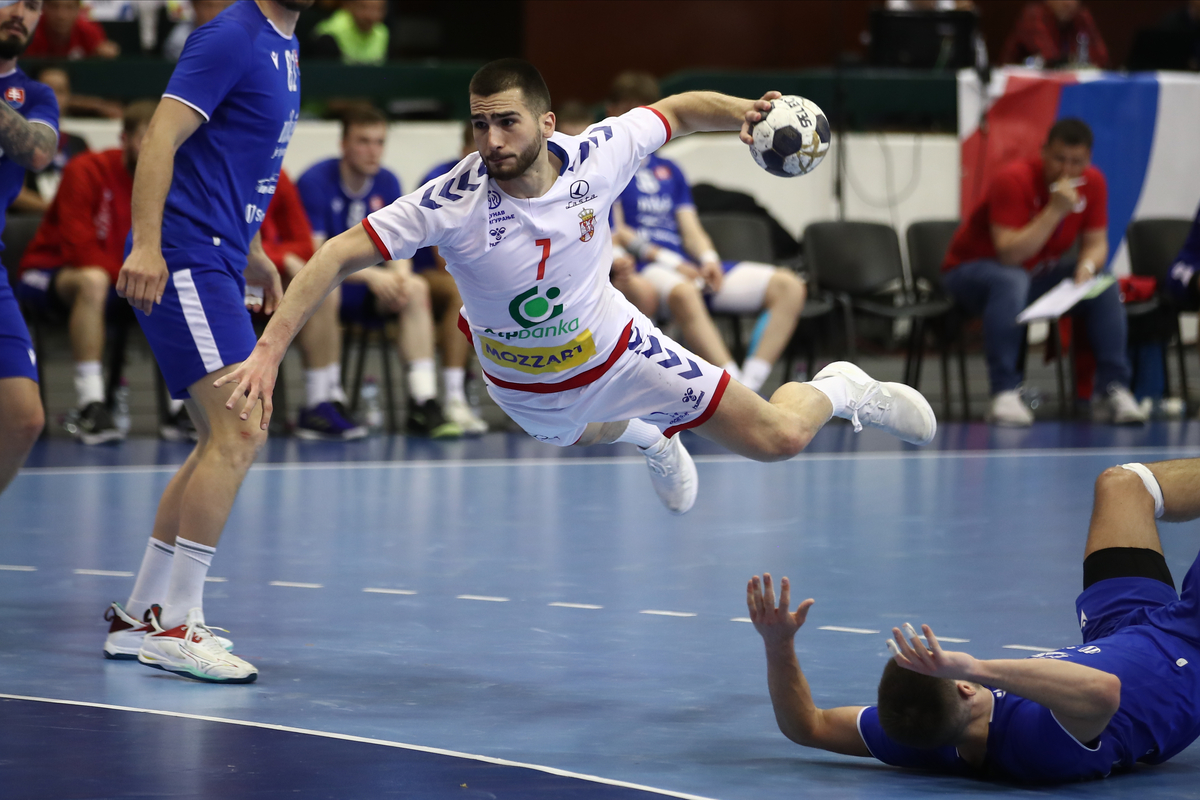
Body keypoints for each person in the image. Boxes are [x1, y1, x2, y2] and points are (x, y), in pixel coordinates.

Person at [217, 58, 937, 521]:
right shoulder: (450, 201)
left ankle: (841, 390)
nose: (491, 140)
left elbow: (679, 112)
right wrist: (269, 352)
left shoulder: (601, 154)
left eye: (506, 122)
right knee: (570, 431)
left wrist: (743, 109)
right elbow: (337, 253)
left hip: (620, 350)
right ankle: (651, 437)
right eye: (479, 124)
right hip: (522, 386)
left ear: (546, 123)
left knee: (778, 440)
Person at [748, 455, 1200, 782]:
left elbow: (808, 725)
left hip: (1121, 630)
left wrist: (778, 644)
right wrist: (973, 666)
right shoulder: (1032, 744)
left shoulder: (925, 737)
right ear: (963, 687)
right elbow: (1104, 690)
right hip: (1186, 653)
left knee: (1122, 484)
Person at [104, 0, 312, 684]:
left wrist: (251, 250)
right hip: (187, 256)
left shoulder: (283, 42)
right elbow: (159, 138)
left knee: (218, 434)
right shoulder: (232, 35)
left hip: (221, 253)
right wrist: (147, 245)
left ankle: (142, 613)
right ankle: (175, 625)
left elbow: (228, 160)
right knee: (241, 428)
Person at [606, 72, 807, 394]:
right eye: (626, 109)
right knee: (685, 291)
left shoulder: (670, 170)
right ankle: (736, 392)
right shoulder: (610, 167)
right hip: (648, 268)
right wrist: (675, 264)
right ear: (611, 112)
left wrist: (709, 258)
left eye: (641, 110)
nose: (634, 118)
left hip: (685, 266)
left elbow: (691, 229)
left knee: (790, 287)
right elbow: (619, 232)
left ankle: (749, 387)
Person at [941, 118, 1145, 427]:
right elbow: (1010, 254)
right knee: (1011, 279)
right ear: (1044, 152)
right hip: (969, 273)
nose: (1066, 170)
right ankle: (1005, 392)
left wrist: (1087, 268)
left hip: (1032, 275)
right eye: (1059, 159)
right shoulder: (1013, 179)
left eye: (1076, 162)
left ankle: (1111, 390)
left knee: (1103, 284)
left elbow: (1095, 243)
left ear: (1088, 160)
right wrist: (1055, 210)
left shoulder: (1094, 182)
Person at [297, 106, 460, 438]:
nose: (373, 151)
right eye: (363, 142)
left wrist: (400, 275)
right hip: (337, 288)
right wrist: (374, 275)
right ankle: (319, 401)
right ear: (344, 145)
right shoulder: (315, 180)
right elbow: (316, 256)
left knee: (414, 287)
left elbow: (400, 244)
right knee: (327, 287)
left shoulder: (388, 180)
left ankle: (422, 400)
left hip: (373, 290)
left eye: (379, 142)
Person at [17, 100, 155, 444]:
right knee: (93, 279)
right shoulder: (86, 169)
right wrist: (136, 278)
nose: (154, 148)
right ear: (124, 138)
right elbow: (80, 250)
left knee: (176, 284)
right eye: (145, 137)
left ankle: (183, 408)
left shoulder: (164, 182)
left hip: (115, 280)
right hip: (49, 270)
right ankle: (90, 404)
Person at [0, 0, 58, 499]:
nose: (21, 12)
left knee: (23, 419)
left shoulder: (34, 94)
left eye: (33, 5)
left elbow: (37, 151)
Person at [261, 168, 365, 439]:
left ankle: (321, 400)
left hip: (268, 277)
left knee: (325, 289)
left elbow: (304, 243)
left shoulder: (277, 175)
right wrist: (282, 258)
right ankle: (185, 408)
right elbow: (228, 242)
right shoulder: (217, 170)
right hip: (229, 277)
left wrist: (281, 258)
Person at [1002, 0, 1109, 68]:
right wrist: (1075, 62)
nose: (1069, 2)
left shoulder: (1081, 17)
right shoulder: (1034, 16)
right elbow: (1052, 61)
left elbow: (1102, 59)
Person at [25, 0, 119, 58]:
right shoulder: (29, 31)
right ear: (44, 7)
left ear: (78, 9)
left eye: (69, 7)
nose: (61, 15)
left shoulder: (90, 31)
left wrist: (107, 54)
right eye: (54, 6)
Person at [310, 0, 387, 65]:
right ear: (350, 6)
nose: (371, 16)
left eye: (378, 9)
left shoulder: (383, 33)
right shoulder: (329, 35)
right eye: (363, 7)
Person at [163, 0, 233, 62]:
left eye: (223, 6)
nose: (216, 12)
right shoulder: (181, 38)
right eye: (209, 6)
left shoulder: (232, 33)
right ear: (195, 6)